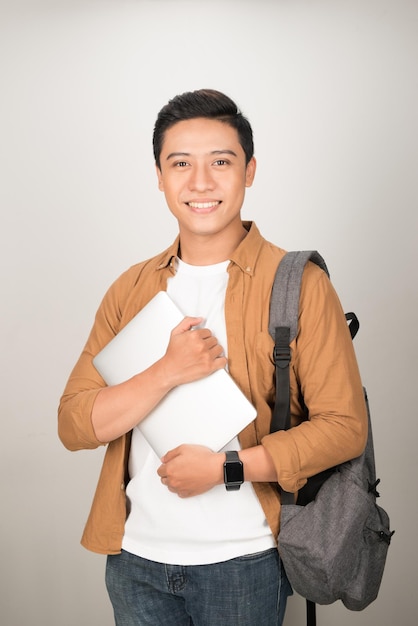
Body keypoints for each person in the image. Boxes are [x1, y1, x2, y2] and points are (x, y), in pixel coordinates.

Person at [58, 89, 368, 626]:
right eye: (181, 164)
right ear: (159, 175)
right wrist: (167, 372)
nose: (200, 183)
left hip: (243, 562)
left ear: (249, 171)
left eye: (220, 162)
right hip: (135, 561)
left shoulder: (299, 284)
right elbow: (74, 424)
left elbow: (344, 428)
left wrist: (225, 468)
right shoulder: (129, 290)